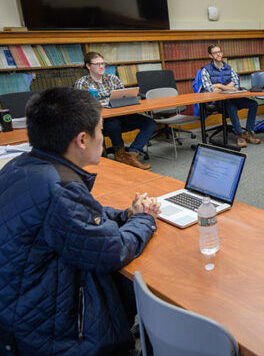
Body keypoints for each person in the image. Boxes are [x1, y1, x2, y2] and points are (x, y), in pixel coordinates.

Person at [0, 87, 160, 356]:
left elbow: (81, 216)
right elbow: (113, 250)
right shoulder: (59, 189)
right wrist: (144, 219)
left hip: (18, 311)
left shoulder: (21, 166)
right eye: (101, 128)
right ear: (83, 140)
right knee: (142, 278)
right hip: (49, 332)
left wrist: (125, 215)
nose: (104, 135)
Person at [74, 51, 155, 170]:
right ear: (88, 66)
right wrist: (105, 103)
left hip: (122, 113)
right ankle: (120, 153)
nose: (101, 66)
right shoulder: (83, 83)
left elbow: (123, 95)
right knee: (113, 123)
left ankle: (133, 153)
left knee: (150, 123)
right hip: (101, 120)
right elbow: (83, 105)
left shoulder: (112, 78)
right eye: (97, 64)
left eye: (103, 63)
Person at [200, 44, 261, 148]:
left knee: (253, 104)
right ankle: (239, 135)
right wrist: (228, 87)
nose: (218, 54)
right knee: (230, 105)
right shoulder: (205, 70)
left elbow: (236, 86)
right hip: (218, 101)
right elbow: (210, 90)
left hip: (233, 96)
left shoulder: (229, 68)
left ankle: (249, 132)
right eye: (215, 53)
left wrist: (220, 86)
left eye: (219, 51)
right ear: (210, 55)